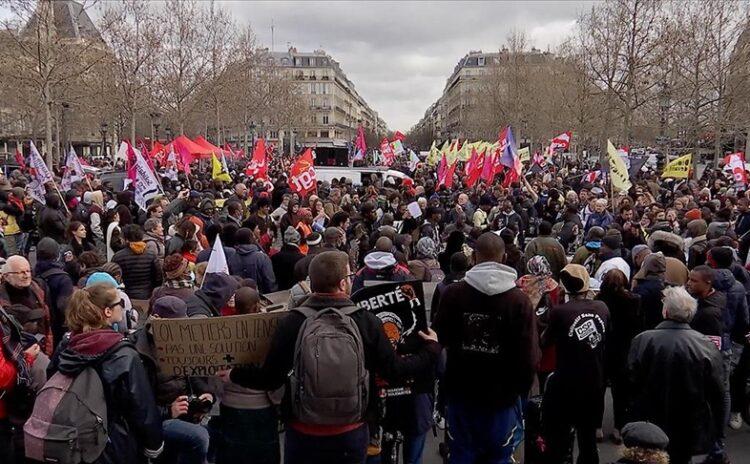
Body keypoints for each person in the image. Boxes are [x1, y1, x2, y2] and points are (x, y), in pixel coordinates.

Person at [221, 251, 440, 464]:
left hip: (303, 429)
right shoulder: (366, 322)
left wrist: (235, 374)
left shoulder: (292, 322)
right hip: (351, 428)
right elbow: (394, 371)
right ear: (343, 283)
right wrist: (430, 350)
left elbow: (270, 378)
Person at [433, 232, 538, 463]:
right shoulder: (518, 301)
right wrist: (517, 391)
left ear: (475, 258)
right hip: (501, 398)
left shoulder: (454, 294)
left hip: (462, 392)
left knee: (461, 454)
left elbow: (438, 339)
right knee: (499, 456)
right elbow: (529, 356)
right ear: (503, 259)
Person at [46, 283, 164, 464]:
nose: (123, 308)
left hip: (70, 437)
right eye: (120, 304)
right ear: (108, 312)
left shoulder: (67, 344)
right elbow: (141, 406)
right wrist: (154, 445)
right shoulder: (123, 354)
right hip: (113, 442)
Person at [627, 286, 725, 464]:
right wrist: (717, 432)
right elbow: (717, 391)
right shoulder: (705, 344)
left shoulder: (643, 340)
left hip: (651, 421)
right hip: (690, 424)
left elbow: (631, 381)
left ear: (665, 310)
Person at [131, 296, 214, 464]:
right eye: (175, 325)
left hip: (185, 412)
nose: (180, 329)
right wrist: (168, 411)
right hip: (160, 419)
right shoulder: (138, 351)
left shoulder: (182, 339)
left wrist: (205, 393)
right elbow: (138, 403)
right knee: (199, 438)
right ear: (158, 321)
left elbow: (192, 373)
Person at [542, 263, 610, 464]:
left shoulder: (560, 312)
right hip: (595, 378)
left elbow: (545, 341)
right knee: (588, 437)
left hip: (566, 379)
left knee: (560, 437)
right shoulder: (602, 307)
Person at [215, 287, 283, 464]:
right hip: (261, 407)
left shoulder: (222, 332)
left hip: (230, 404)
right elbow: (273, 372)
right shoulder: (268, 332)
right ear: (256, 306)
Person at [596, 269, 641, 442]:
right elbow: (637, 326)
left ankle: (597, 427)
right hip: (624, 350)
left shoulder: (599, 300)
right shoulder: (634, 300)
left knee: (598, 390)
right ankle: (618, 429)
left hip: (603, 349)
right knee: (621, 393)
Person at [0, 256, 53, 355]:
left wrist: (48, 348)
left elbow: (47, 321)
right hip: (16, 353)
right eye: (21, 272)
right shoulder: (3, 300)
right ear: (6, 276)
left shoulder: (38, 289)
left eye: (28, 271)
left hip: (42, 346)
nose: (26, 275)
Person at [33, 238, 74, 346]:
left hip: (41, 324)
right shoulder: (63, 278)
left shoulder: (33, 275)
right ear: (57, 255)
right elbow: (64, 306)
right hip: (58, 327)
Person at [112, 224, 163, 309]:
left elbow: (114, 276)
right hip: (147, 295)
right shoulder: (151, 254)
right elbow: (158, 276)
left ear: (126, 239)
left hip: (127, 295)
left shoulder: (118, 256)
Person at [228, 228, 277, 294]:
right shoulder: (262, 258)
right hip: (260, 298)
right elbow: (270, 281)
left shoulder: (231, 259)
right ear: (251, 239)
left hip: (240, 297)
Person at [271, 227, 305, 291]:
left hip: (278, 293)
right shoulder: (302, 258)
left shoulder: (274, 257)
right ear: (298, 241)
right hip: (297, 293)